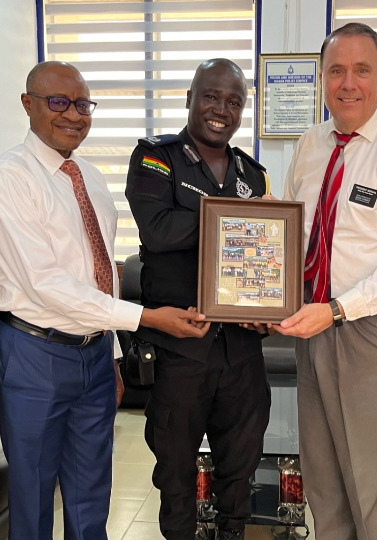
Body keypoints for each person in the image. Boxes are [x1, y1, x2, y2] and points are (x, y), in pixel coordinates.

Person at [0, 61, 209, 540]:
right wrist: (147, 319)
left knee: (91, 492)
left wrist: (114, 355)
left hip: (95, 356)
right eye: (58, 102)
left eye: (82, 104)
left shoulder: (91, 178)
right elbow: (45, 284)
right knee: (34, 493)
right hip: (33, 351)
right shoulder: (7, 178)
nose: (73, 115)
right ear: (28, 104)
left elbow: (103, 275)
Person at [275, 23, 377, 539]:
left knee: (374, 478)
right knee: (323, 474)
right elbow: (294, 235)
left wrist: (340, 308)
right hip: (313, 321)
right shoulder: (309, 145)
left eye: (361, 70)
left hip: (370, 326)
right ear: (323, 78)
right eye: (336, 71)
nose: (348, 83)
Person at [124, 58, 272, 540]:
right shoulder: (154, 158)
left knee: (241, 465)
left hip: (242, 351)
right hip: (180, 348)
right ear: (189, 98)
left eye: (234, 101)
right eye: (211, 96)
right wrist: (239, 224)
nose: (221, 109)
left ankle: (232, 533)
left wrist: (267, 310)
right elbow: (159, 230)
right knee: (176, 473)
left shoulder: (254, 175)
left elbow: (267, 254)